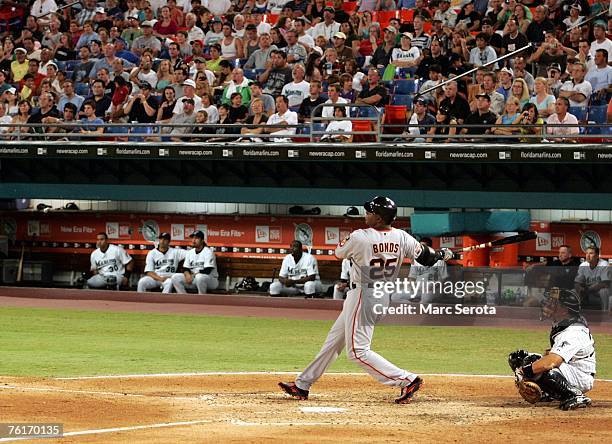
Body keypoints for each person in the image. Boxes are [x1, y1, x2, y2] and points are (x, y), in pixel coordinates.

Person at [278, 196, 454, 402]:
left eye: (370, 212)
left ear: (379, 218)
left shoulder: (360, 236)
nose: (366, 214)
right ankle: (302, 384)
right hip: (382, 294)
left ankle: (407, 379)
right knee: (334, 343)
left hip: (362, 294)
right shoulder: (402, 236)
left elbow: (338, 253)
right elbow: (426, 257)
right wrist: (442, 254)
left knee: (358, 351)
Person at [509, 288, 595, 410]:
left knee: (539, 367)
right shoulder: (563, 324)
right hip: (568, 369)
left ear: (565, 310)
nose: (548, 305)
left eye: (554, 303)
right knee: (518, 358)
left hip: (580, 376)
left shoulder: (574, 331)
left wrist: (523, 371)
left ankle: (575, 395)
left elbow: (552, 362)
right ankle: (549, 392)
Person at [407, 237, 449, 303]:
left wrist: (434, 286)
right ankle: (412, 308)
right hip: (418, 290)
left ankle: (419, 310)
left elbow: (444, 278)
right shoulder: (415, 260)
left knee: (425, 298)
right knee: (396, 296)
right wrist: (411, 287)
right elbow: (412, 277)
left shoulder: (439, 260)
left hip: (433, 290)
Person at [575, 246, 611, 311]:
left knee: (604, 291)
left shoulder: (604, 264)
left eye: (591, 253)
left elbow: (605, 283)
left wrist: (588, 289)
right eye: (587, 253)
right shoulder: (583, 265)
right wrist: (579, 288)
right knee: (573, 291)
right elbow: (577, 282)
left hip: (599, 290)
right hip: (587, 290)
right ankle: (576, 313)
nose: (588, 256)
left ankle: (605, 313)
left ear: (597, 256)